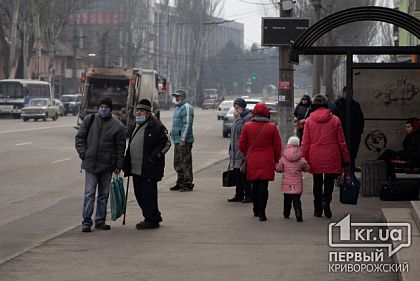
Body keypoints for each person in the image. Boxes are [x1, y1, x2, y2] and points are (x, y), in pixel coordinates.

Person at [75, 97, 126, 232]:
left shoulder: (117, 126)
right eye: (101, 106)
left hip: (107, 166)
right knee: (89, 194)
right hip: (90, 164)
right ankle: (86, 221)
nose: (103, 109)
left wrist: (119, 165)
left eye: (106, 107)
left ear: (110, 109)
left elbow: (121, 148)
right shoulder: (90, 120)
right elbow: (80, 138)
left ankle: (100, 220)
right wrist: (83, 154)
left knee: (103, 195)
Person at [124, 99, 171, 229]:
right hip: (136, 168)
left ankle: (151, 219)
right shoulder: (136, 124)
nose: (139, 112)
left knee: (148, 195)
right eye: (137, 110)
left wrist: (153, 158)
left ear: (148, 113)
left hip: (148, 168)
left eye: (142, 110)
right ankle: (152, 216)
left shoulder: (156, 125)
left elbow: (166, 143)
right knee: (139, 194)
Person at [301, 95, 349, 219]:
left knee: (317, 183)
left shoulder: (309, 121)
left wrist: (303, 159)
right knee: (329, 182)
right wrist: (345, 158)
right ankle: (326, 201)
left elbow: (305, 143)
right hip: (332, 155)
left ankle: (317, 208)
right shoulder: (335, 120)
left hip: (315, 156)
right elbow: (341, 142)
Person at [239, 102, 282, 221]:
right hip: (267, 160)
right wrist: (275, 159)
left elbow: (241, 144)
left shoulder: (247, 126)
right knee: (264, 186)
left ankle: (256, 209)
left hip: (252, 159)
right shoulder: (272, 127)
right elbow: (277, 146)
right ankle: (262, 213)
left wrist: (247, 153)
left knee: (254, 185)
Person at [275, 136, 310, 222]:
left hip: (287, 184)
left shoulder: (283, 158)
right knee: (297, 200)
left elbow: (279, 169)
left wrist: (276, 166)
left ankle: (286, 213)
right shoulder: (301, 159)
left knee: (287, 199)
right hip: (297, 184)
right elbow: (306, 168)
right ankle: (299, 216)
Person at [333, 86, 365, 175]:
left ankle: (350, 173)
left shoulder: (355, 105)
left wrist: (359, 131)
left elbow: (360, 119)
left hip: (354, 134)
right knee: (342, 155)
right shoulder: (338, 105)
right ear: (343, 93)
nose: (350, 95)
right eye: (348, 93)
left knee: (352, 155)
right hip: (342, 134)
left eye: (351, 93)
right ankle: (341, 174)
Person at [227, 98, 253, 203]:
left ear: (242, 107)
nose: (235, 109)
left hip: (242, 151)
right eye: (235, 107)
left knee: (244, 175)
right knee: (237, 174)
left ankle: (248, 195)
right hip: (235, 151)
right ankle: (239, 194)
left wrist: (238, 119)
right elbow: (233, 135)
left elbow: (242, 132)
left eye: (237, 107)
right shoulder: (238, 117)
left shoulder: (248, 118)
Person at [169, 89, 195, 192]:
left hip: (184, 141)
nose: (176, 98)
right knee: (178, 162)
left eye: (177, 96)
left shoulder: (187, 107)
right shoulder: (178, 108)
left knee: (185, 162)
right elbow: (177, 124)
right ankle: (180, 182)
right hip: (177, 140)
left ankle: (188, 183)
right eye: (175, 96)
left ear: (183, 97)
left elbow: (187, 124)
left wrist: (183, 139)